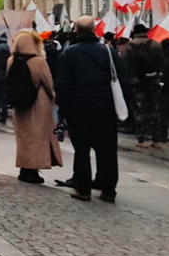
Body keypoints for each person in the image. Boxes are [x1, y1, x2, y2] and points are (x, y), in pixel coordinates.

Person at [55, 16, 128, 202]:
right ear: (95, 30)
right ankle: (109, 189)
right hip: (106, 107)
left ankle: (84, 189)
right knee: (108, 150)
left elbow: (62, 84)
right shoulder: (108, 51)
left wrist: (63, 109)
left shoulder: (70, 53)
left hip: (79, 107)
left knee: (82, 149)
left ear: (76, 31)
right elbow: (122, 78)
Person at [8, 31, 62, 184]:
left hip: (20, 105)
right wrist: (53, 97)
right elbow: (48, 83)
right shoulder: (38, 61)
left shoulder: (11, 61)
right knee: (37, 138)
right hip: (38, 104)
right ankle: (32, 170)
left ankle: (24, 168)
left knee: (23, 138)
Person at [121, 24, 164, 148]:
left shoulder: (129, 46)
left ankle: (143, 139)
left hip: (137, 83)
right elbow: (162, 62)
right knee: (155, 110)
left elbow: (125, 66)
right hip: (153, 81)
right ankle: (157, 139)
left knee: (140, 111)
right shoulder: (156, 44)